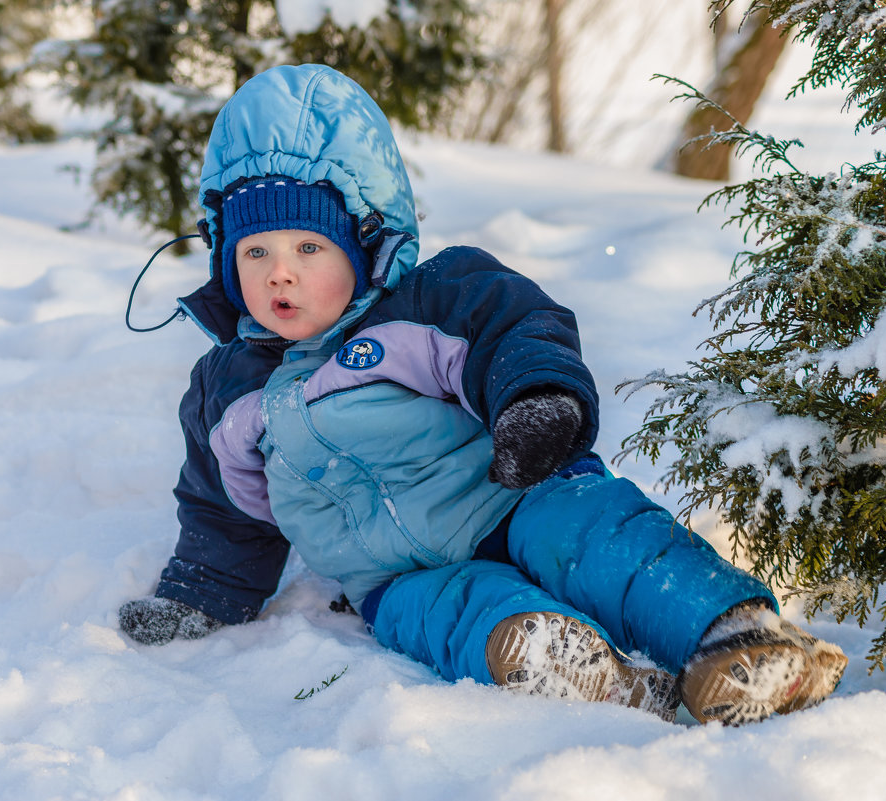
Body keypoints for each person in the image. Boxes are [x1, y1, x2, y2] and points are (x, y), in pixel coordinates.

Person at [117, 63, 847, 725]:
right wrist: (200, 595)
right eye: (257, 253)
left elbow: (517, 328)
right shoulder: (228, 391)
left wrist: (535, 403)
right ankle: (580, 671)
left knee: (594, 537)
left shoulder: (426, 302)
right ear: (226, 260)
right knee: (448, 618)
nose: (282, 273)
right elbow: (226, 514)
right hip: (395, 577)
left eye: (309, 248)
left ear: (363, 243)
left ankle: (737, 636)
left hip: (513, 495)